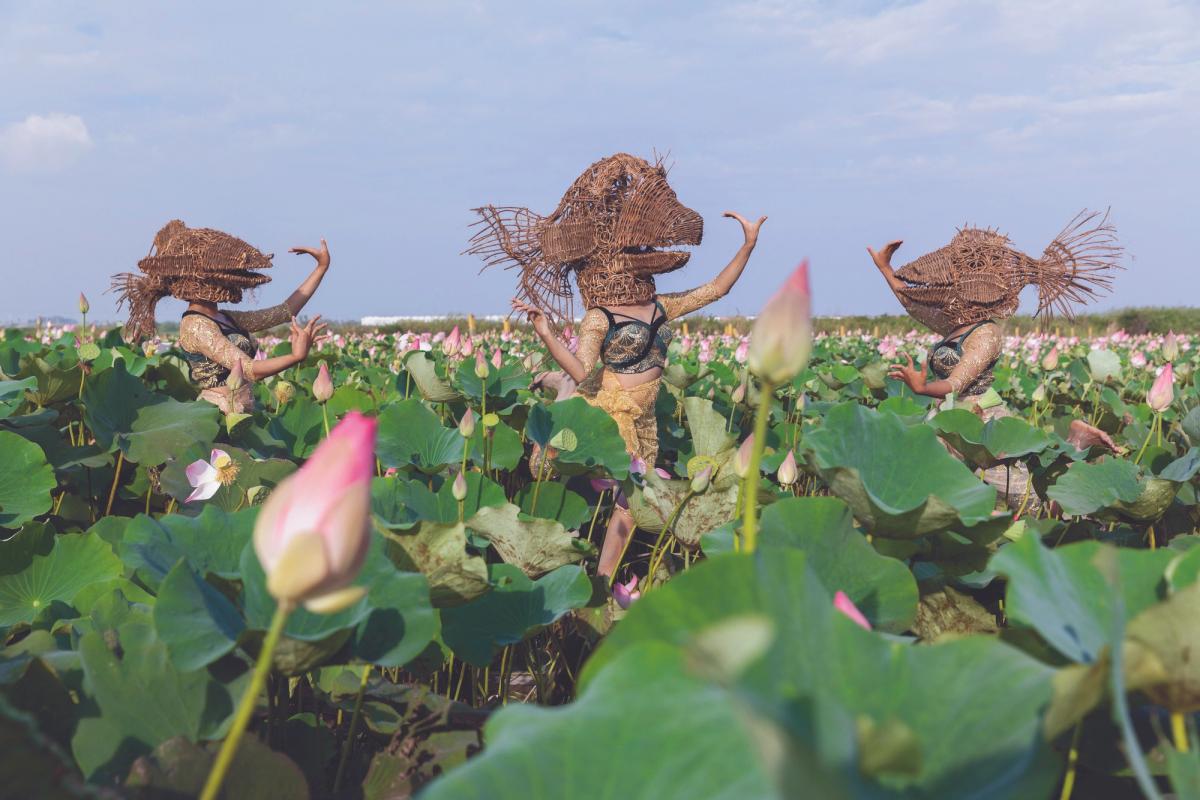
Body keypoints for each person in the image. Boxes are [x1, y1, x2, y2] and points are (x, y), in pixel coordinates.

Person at [468, 153, 764, 577]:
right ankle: (594, 575)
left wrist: (748, 245)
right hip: (612, 413)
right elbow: (583, 368)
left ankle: (605, 582)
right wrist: (547, 333)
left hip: (645, 417)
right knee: (623, 497)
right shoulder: (599, 317)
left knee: (631, 508)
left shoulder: (663, 306)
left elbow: (715, 289)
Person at [868, 210, 1122, 506]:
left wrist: (923, 388)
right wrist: (885, 268)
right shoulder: (953, 325)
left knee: (1032, 503)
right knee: (925, 486)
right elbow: (912, 300)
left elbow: (955, 383)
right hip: (947, 419)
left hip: (982, 426)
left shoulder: (986, 334)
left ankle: (1076, 446)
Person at [112, 220, 329, 413]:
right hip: (219, 413)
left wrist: (321, 268)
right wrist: (295, 357)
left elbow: (284, 312)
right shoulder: (195, 325)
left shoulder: (225, 317)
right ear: (200, 278)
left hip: (243, 410)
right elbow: (247, 369)